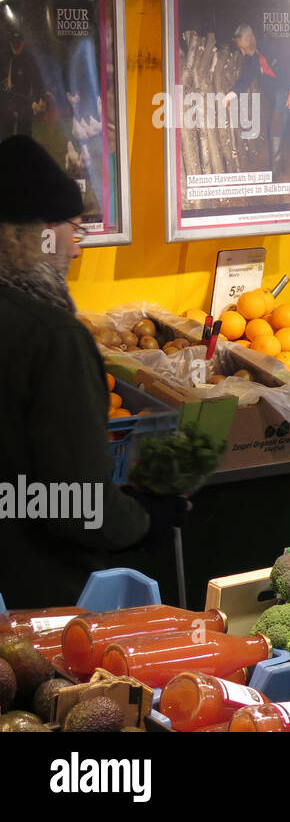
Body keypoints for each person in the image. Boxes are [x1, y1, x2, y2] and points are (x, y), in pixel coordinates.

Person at [0, 136, 186, 608]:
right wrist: (145, 520)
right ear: (39, 231)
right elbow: (75, 505)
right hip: (33, 603)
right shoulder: (53, 338)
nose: (76, 250)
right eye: (74, 230)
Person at [233, 22, 290, 172]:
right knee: (276, 128)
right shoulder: (255, 58)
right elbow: (245, 79)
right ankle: (277, 172)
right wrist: (230, 95)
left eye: (242, 48)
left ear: (249, 40)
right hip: (282, 92)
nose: (242, 53)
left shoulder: (272, 45)